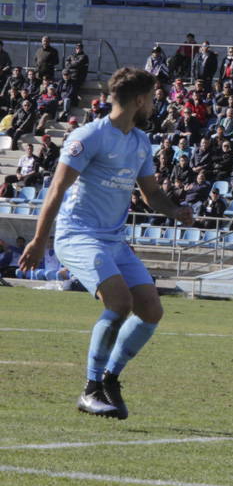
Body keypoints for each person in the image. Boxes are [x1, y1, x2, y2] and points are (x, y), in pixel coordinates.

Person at [18, 67, 194, 420]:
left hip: (114, 240)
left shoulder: (140, 141)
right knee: (120, 302)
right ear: (140, 100)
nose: (155, 107)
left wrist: (176, 210)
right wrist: (40, 240)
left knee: (151, 309)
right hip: (78, 235)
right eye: (153, 100)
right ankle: (90, 387)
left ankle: (110, 379)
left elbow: (151, 194)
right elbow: (55, 190)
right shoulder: (89, 136)